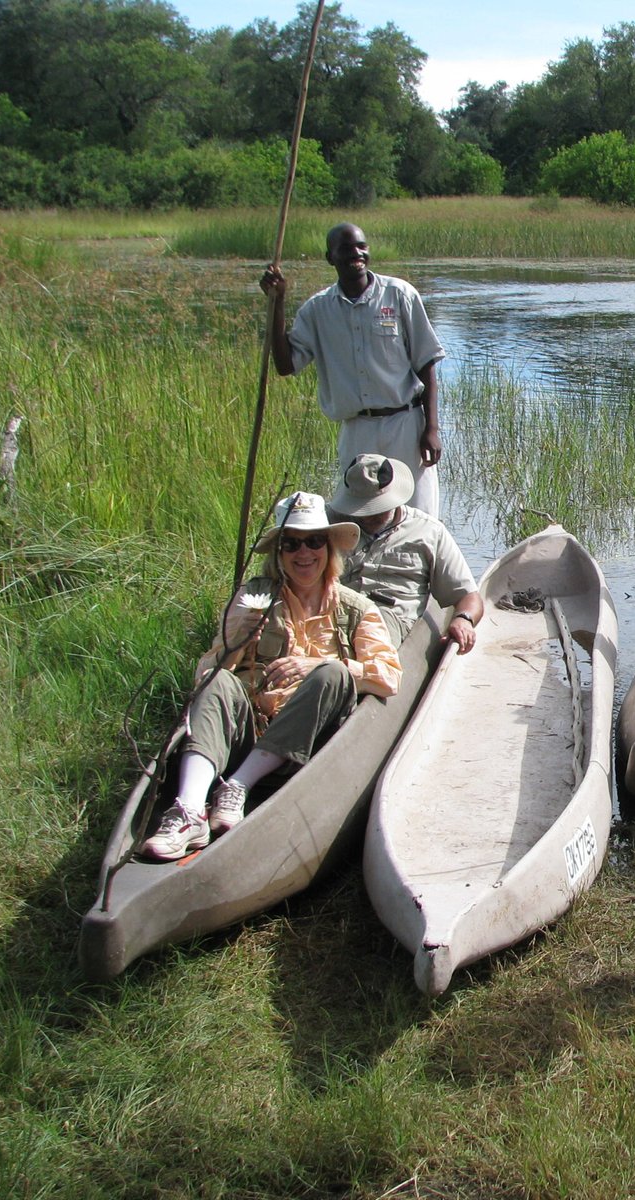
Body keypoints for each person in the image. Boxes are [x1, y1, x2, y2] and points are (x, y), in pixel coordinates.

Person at [142, 492, 401, 860]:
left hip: (309, 745)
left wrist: (320, 666)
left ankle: (238, 785)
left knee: (332, 673)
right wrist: (238, 642)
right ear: (278, 553)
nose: (303, 554)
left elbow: (389, 676)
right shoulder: (253, 599)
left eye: (313, 542)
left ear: (329, 549)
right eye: (291, 544)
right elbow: (208, 672)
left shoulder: (355, 609)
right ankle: (189, 809)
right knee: (217, 680)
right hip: (252, 731)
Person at [260, 223, 447, 517]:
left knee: (418, 515)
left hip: (405, 425)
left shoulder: (400, 295)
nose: (356, 254)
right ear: (329, 257)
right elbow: (286, 365)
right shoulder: (317, 310)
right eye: (346, 249)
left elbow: (427, 364)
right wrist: (278, 301)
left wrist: (432, 428)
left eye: (362, 247)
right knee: (360, 516)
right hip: (357, 430)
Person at [327, 453, 483, 653]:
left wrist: (464, 619)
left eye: (375, 509)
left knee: (373, 629)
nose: (367, 516)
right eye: (360, 509)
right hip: (333, 613)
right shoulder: (326, 522)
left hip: (390, 620)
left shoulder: (428, 531)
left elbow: (469, 596)